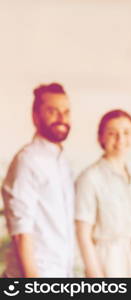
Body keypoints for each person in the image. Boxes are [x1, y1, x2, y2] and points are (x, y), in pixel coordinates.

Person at [2, 83, 75, 277]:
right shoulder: (27, 160)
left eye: (66, 112)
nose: (62, 118)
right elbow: (21, 232)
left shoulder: (64, 163)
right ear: (35, 116)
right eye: (52, 111)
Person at [75, 109, 131, 277]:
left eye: (126, 132)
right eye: (112, 133)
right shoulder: (89, 177)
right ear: (101, 137)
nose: (120, 139)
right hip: (110, 264)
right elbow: (83, 234)